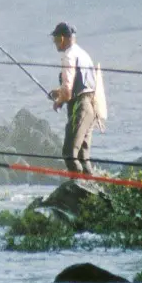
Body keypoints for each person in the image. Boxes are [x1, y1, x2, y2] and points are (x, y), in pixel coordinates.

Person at [48, 21, 97, 176]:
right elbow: (83, 85)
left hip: (80, 107)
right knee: (83, 157)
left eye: (55, 39)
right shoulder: (83, 54)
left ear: (62, 38)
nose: (55, 43)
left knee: (69, 153)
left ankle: (78, 191)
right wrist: (58, 92)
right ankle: (92, 192)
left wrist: (59, 101)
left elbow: (68, 92)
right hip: (90, 106)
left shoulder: (69, 56)